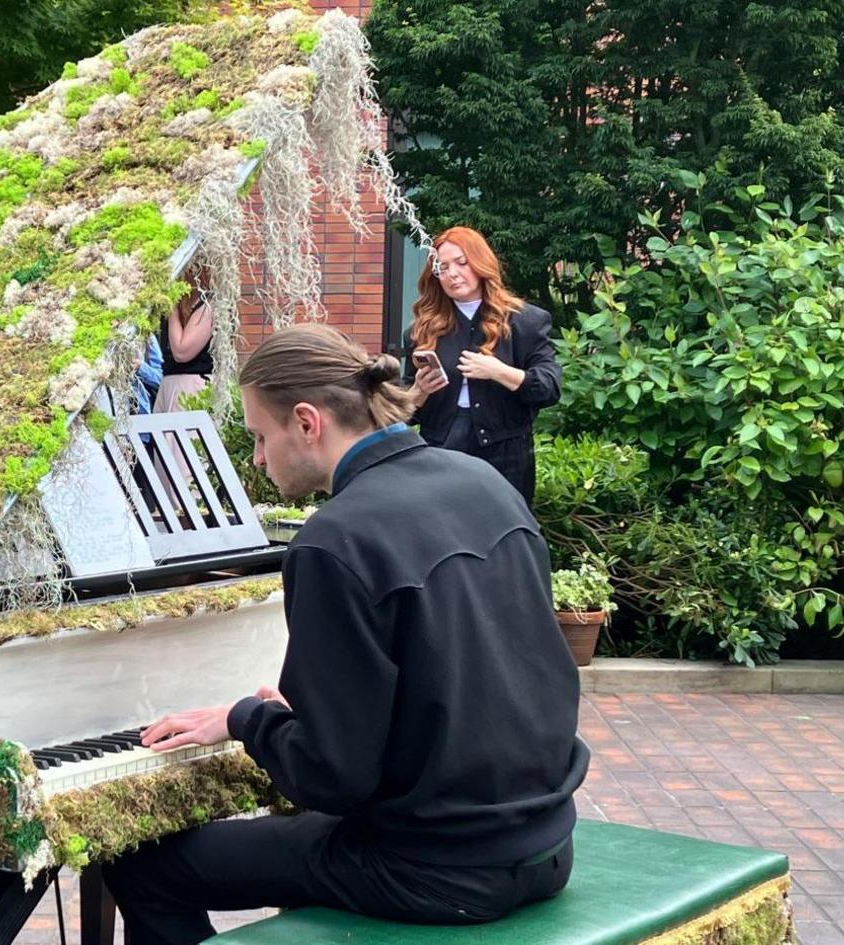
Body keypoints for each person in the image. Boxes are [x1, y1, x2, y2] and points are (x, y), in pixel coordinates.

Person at [102, 323, 590, 945]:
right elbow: (473, 667)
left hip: (436, 871)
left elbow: (332, 779)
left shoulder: (334, 541)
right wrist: (307, 718)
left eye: (258, 436)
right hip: (548, 845)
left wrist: (252, 720)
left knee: (143, 864)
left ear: (307, 422)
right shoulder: (485, 484)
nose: (255, 458)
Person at [405, 226, 561, 505]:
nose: (452, 273)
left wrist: (498, 371)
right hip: (442, 451)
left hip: (506, 455)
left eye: (461, 263)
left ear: (480, 263)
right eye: (442, 267)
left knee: (504, 536)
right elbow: (399, 412)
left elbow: (549, 388)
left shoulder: (525, 321)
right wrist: (418, 392)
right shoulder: (422, 330)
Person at [155, 285, 213, 412]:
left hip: (191, 386)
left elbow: (182, 351)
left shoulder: (209, 304)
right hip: (169, 384)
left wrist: (172, 307)